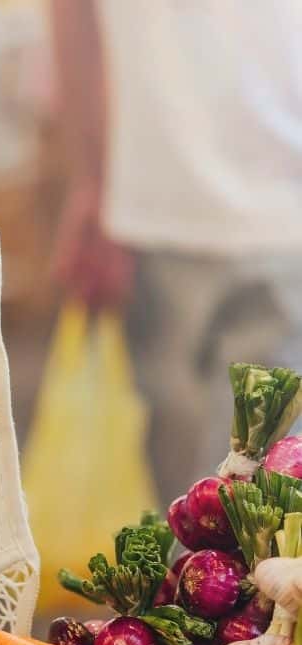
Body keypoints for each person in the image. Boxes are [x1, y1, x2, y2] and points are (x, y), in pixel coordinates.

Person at [50, 0, 302, 507]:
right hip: (172, 210)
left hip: (166, 203)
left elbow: (73, 22)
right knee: (254, 492)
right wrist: (93, 186)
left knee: (216, 489)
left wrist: (92, 184)